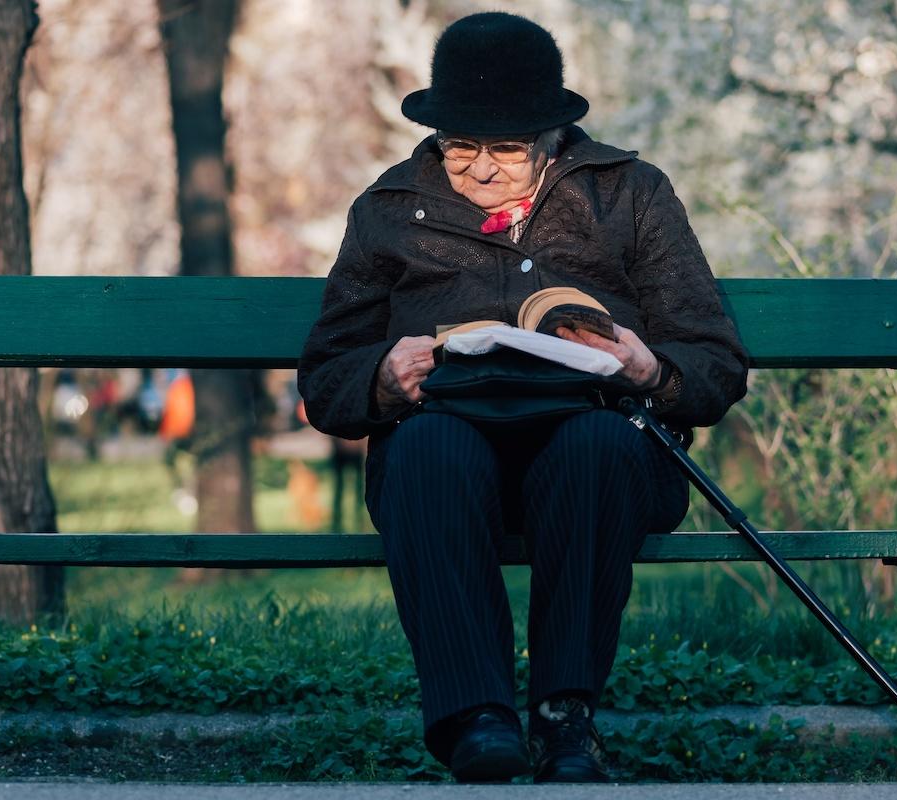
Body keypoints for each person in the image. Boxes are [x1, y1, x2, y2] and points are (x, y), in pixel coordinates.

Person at [298, 12, 748, 783]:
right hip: (448, 443)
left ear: (550, 137)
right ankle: (478, 719)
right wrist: (381, 376)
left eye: (504, 148)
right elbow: (327, 377)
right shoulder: (387, 208)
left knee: (596, 449)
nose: (478, 168)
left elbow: (714, 362)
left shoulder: (630, 195)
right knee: (429, 451)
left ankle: (564, 719)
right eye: (459, 145)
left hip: (593, 442)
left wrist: (648, 371)